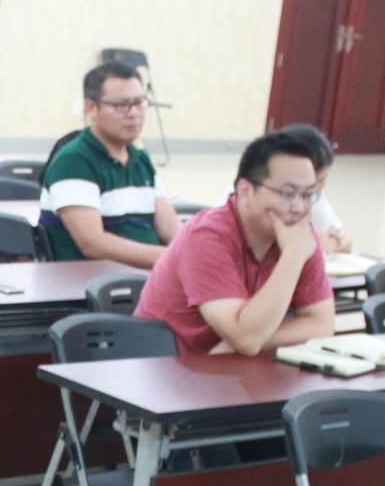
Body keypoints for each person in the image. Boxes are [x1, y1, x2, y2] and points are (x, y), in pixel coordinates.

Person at [134, 129, 336, 357]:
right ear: (246, 191)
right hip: (166, 367)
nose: (299, 207)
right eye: (288, 193)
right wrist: (293, 257)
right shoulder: (207, 236)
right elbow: (245, 339)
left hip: (231, 367)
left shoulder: (296, 231)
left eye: (308, 195)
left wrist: (236, 345)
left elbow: (321, 325)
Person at [39, 62, 179, 267]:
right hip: (100, 282)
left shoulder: (140, 159)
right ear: (91, 108)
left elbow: (170, 228)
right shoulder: (73, 161)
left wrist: (195, 252)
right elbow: (93, 244)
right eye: (121, 105)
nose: (134, 113)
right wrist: (173, 260)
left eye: (139, 102)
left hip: (150, 275)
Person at [273, 122, 355, 253]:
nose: (321, 187)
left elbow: (342, 239)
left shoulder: (314, 197)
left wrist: (341, 240)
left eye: (324, 179)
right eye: (319, 180)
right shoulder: (266, 197)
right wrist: (315, 244)